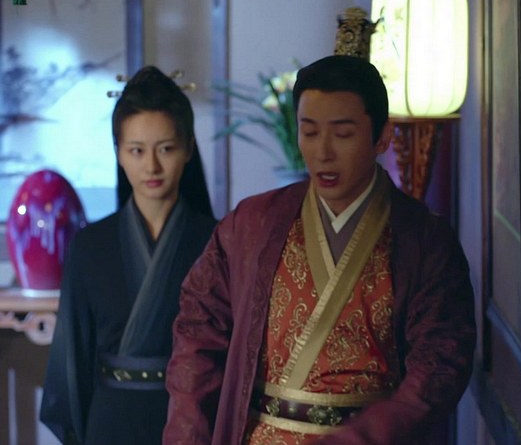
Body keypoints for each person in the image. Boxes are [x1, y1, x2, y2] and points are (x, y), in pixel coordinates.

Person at [163, 55, 476, 445]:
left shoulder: (425, 240)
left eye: (342, 134)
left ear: (382, 137)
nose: (323, 152)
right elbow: (198, 332)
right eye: (309, 132)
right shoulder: (252, 224)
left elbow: (440, 364)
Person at [40, 65, 217, 445]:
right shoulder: (89, 245)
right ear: (118, 153)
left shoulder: (217, 241)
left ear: (188, 148)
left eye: (166, 149)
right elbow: (73, 356)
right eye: (137, 150)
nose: (151, 166)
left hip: (189, 418)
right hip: (111, 420)